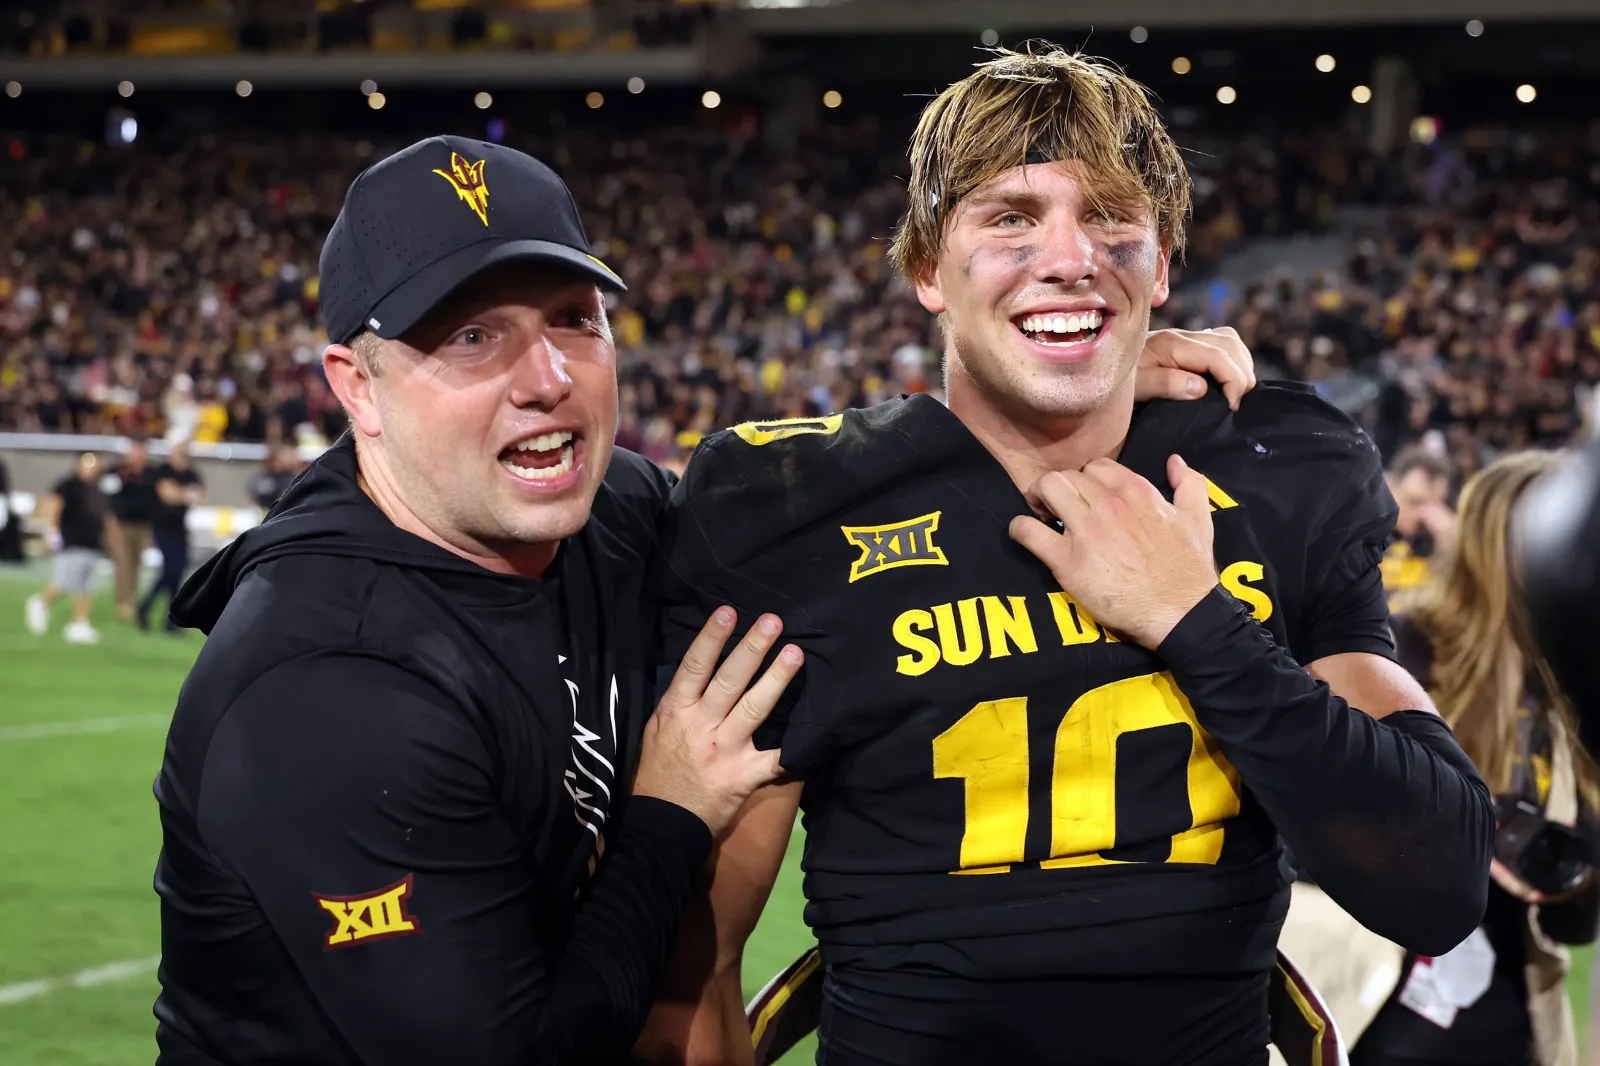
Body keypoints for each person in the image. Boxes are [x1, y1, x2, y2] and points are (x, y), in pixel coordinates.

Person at [640, 47, 1494, 1066]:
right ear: (926, 268)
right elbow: (693, 977)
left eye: (1111, 217)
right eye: (1010, 218)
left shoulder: (1275, 467)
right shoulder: (788, 505)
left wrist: (1196, 622)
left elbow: (1437, 880)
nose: (1069, 257)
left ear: (1161, 263)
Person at [152, 135, 803, 1066]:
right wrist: (671, 813)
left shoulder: (617, 509)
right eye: (471, 336)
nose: (548, 381)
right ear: (356, 387)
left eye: (574, 319)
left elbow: (815, 556)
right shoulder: (326, 688)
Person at [1353, 451, 1600, 1066]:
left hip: (1510, 1011)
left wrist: (1570, 873)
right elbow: (1319, 827)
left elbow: (1575, 925)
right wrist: (1466, 833)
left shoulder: (1571, 679)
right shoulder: (1402, 648)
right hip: (1380, 1000)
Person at [25, 451, 116, 644]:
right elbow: (53, 507)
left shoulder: (98, 488)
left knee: (85, 586)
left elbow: (105, 517)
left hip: (92, 542)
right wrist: (52, 534)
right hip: (72, 541)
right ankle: (42, 602)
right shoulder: (68, 485)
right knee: (63, 582)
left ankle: (79, 622)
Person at [138, 440, 204, 633]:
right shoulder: (162, 471)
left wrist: (179, 492)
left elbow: (198, 497)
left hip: (180, 529)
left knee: (177, 572)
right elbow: (167, 495)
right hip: (163, 527)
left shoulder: (191, 473)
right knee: (171, 570)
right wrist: (185, 494)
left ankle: (161, 615)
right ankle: (153, 610)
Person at [1380, 445, 1456, 594]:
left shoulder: (1440, 537)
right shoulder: (1363, 534)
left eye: (1435, 505)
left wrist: (1451, 550)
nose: (1423, 514)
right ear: (1391, 486)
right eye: (1415, 502)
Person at [105, 436, 160, 621]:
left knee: (137, 562)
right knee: (123, 561)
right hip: (121, 524)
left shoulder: (151, 473)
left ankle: (132, 597)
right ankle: (123, 601)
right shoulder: (117, 472)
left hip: (143, 524)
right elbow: (109, 496)